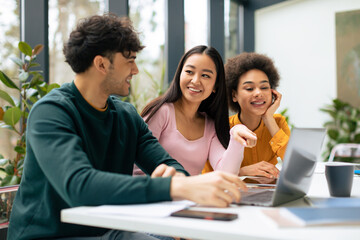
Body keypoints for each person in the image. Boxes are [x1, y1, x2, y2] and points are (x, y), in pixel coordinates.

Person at [7, 14, 247, 240]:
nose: (136, 70)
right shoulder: (51, 112)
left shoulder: (126, 115)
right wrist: (172, 186)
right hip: (49, 235)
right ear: (101, 64)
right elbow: (79, 185)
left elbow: (168, 165)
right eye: (130, 61)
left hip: (107, 231)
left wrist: (180, 179)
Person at [133, 45, 257, 176]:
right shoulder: (161, 112)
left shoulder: (210, 125)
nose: (195, 81)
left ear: (215, 85)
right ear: (180, 74)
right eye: (189, 72)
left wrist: (236, 137)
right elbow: (136, 169)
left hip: (190, 196)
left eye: (205, 75)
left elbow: (226, 173)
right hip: (157, 194)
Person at [202, 52, 290, 179]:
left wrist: (268, 119)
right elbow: (208, 176)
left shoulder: (277, 123)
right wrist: (241, 171)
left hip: (270, 193)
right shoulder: (221, 128)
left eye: (264, 87)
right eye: (249, 88)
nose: (258, 93)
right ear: (234, 95)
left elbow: (295, 164)